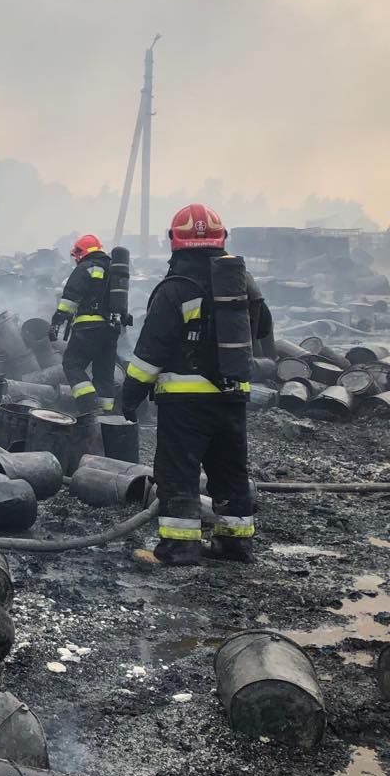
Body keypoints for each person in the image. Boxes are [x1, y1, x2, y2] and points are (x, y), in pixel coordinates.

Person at [121, 204, 275, 566]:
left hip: (184, 402)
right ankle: (235, 545)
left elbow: (149, 353)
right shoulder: (242, 282)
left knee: (179, 473)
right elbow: (264, 329)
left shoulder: (175, 289)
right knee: (230, 472)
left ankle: (179, 547)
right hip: (233, 397)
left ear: (175, 240)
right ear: (223, 238)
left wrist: (130, 396)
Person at [49, 234, 119, 415]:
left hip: (88, 328)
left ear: (80, 253)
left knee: (72, 364)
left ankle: (90, 408)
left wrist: (57, 320)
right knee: (104, 374)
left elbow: (71, 297)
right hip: (111, 330)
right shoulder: (114, 269)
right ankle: (106, 418)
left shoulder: (86, 267)